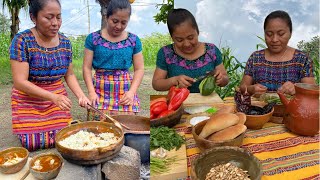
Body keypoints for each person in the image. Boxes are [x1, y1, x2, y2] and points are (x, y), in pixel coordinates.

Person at [9, 0, 90, 151]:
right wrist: (53, 97)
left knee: (65, 137)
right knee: (33, 143)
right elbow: (20, 82)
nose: (55, 23)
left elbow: (69, 74)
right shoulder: (22, 41)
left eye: (58, 17)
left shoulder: (65, 42)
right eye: (49, 17)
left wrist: (81, 96)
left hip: (56, 97)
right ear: (34, 17)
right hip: (29, 97)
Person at [83, 0, 144, 118]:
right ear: (106, 17)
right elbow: (86, 67)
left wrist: (131, 92)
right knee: (99, 129)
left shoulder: (134, 40)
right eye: (115, 21)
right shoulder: (93, 39)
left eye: (124, 22)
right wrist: (91, 92)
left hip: (125, 91)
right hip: (99, 90)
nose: (118, 26)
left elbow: (139, 69)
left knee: (127, 126)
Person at [152, 8, 229, 93]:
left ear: (197, 32)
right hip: (177, 103)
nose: (187, 44)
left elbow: (225, 79)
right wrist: (174, 80)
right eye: (179, 40)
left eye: (190, 38)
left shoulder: (212, 51)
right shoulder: (165, 53)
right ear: (172, 37)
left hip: (208, 103)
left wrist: (222, 79)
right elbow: (156, 84)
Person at [240, 10, 315, 96]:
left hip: (292, 108)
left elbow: (311, 91)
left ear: (290, 33)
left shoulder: (302, 59)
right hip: (259, 108)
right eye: (269, 34)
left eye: (281, 34)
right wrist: (250, 89)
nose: (274, 39)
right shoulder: (255, 58)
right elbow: (243, 87)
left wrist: (296, 88)